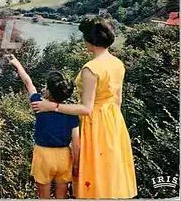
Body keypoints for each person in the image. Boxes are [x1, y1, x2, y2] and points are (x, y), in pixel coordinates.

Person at [31, 17, 137, 199]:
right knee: (109, 168)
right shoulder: (117, 63)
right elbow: (117, 100)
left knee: (94, 170)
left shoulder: (91, 69)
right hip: (113, 121)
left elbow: (86, 108)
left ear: (90, 40)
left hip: (94, 122)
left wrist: (53, 106)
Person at [6, 54, 80, 199]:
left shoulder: (39, 105)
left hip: (43, 156)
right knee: (61, 195)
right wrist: (76, 164)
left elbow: (28, 83)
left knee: (44, 197)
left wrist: (17, 64)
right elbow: (76, 142)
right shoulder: (72, 113)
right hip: (64, 156)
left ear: (48, 92)